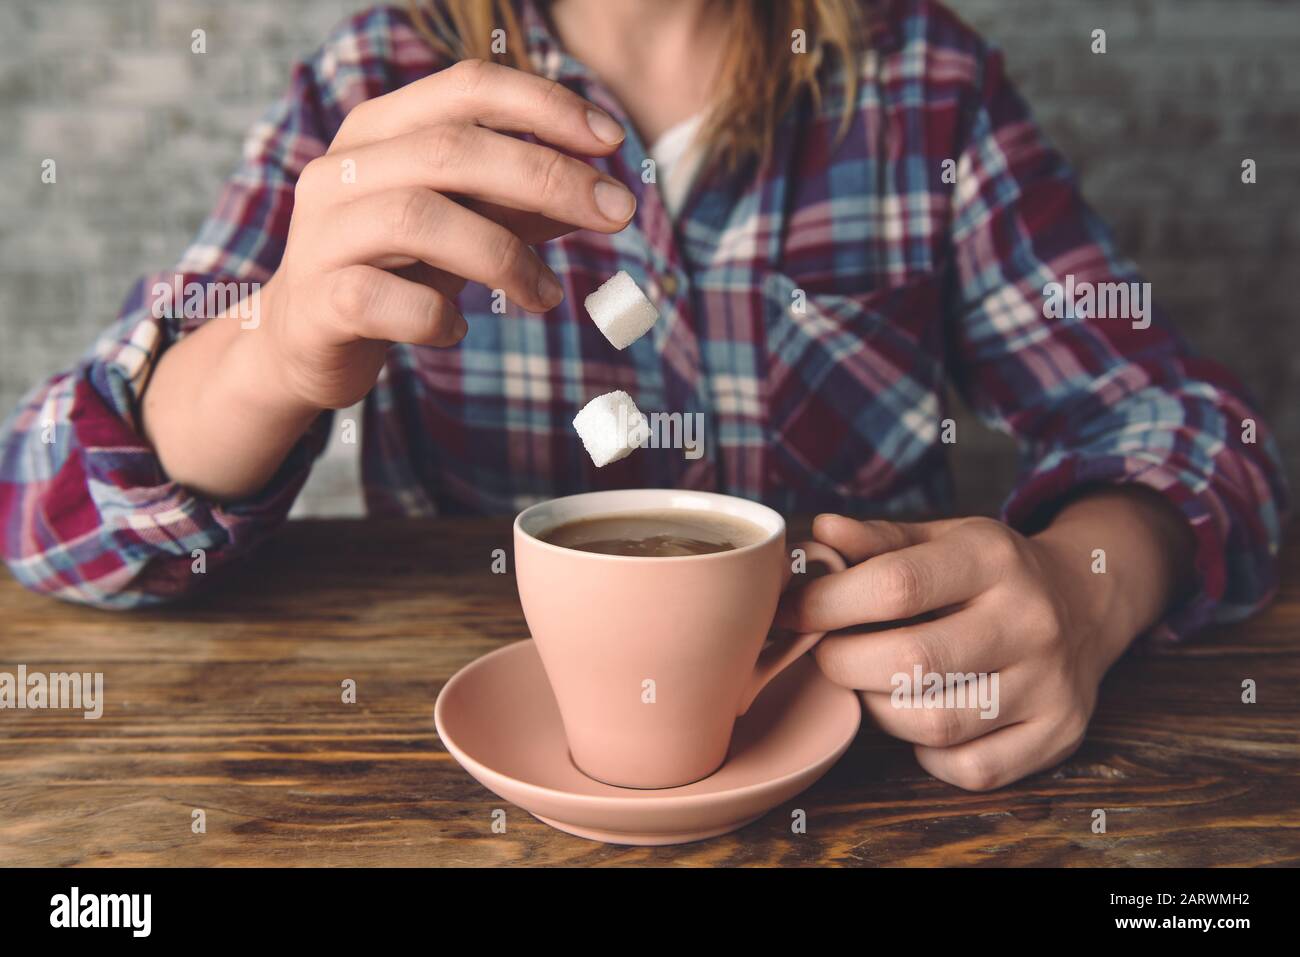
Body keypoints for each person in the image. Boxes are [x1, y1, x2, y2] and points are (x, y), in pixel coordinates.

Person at [0, 0, 1287, 790]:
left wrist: (1088, 585)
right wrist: (274, 353)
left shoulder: (922, 86)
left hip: (866, 779)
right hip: (470, 788)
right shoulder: (376, 82)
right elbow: (47, 509)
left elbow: (1191, 431)